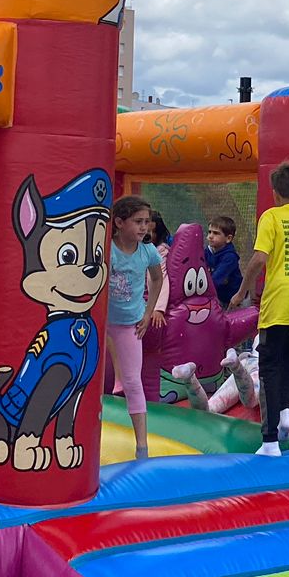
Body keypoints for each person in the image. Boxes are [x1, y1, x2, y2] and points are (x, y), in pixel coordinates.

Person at [233, 163, 289, 456]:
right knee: (287, 353)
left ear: (274, 193)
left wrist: (243, 289)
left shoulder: (272, 216)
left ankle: (270, 440)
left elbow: (260, 258)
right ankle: (286, 411)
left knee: (269, 364)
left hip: (282, 295)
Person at [106, 195, 168, 460]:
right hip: (100, 321)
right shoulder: (107, 249)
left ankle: (141, 446)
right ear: (119, 222)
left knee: (133, 381)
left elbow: (157, 278)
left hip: (129, 323)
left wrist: (149, 310)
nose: (144, 227)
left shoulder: (148, 251)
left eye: (147, 222)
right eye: (138, 222)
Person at [205, 216, 244, 307]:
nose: (210, 236)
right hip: (218, 297)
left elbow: (215, 280)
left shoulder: (230, 257)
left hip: (233, 301)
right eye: (209, 232)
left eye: (216, 233)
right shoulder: (208, 252)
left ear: (228, 238)